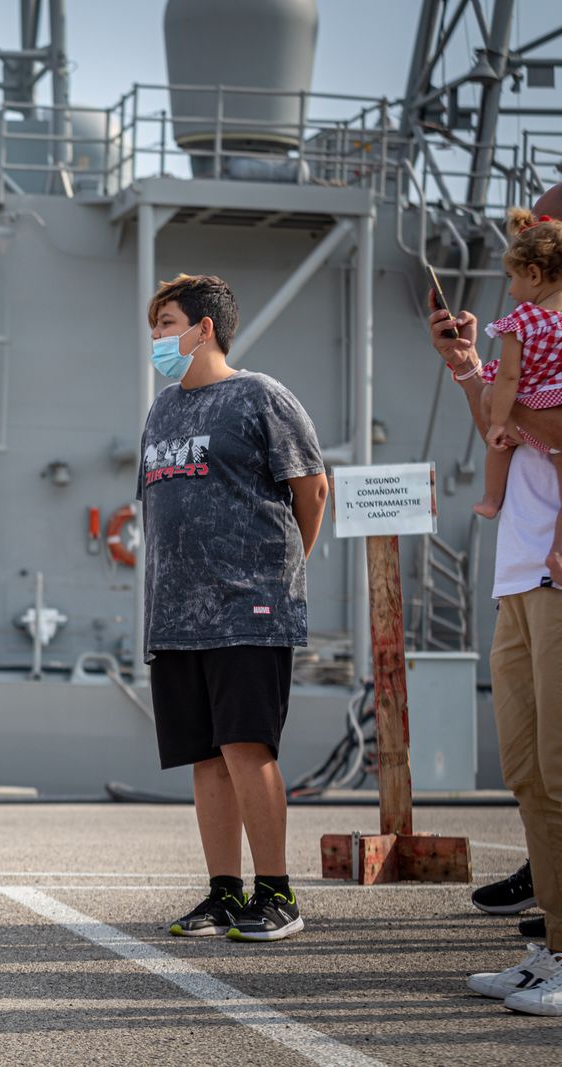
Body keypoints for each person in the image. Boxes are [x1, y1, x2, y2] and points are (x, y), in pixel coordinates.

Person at [135, 275, 328, 944]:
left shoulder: (259, 397)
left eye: (165, 323)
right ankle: (224, 892)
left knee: (247, 746)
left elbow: (312, 486)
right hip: (177, 616)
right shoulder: (161, 410)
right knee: (205, 756)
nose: (157, 337)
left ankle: (276, 893)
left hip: (250, 609)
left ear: (203, 327)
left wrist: (278, 572)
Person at [431, 246, 562, 1016]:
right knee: (529, 774)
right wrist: (472, 364)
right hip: (517, 574)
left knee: (558, 769)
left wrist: (507, 384)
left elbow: (522, 419)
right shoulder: (532, 337)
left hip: (553, 576)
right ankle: (549, 949)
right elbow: (499, 424)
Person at [472, 210, 562, 585]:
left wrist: (498, 422)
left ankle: (491, 499)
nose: (510, 290)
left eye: (512, 278)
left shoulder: (523, 320)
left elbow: (509, 376)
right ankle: (558, 549)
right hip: (556, 403)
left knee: (499, 443)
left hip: (527, 405)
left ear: (535, 275)